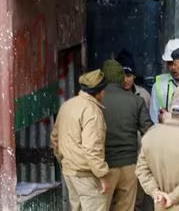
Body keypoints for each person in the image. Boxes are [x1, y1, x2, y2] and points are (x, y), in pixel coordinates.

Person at [51, 70, 111, 211]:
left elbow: (55, 138)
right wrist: (103, 175)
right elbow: (92, 149)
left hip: (70, 172)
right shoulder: (92, 112)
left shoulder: (67, 105)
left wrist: (65, 160)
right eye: (104, 90)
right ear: (99, 92)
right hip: (86, 175)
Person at [136, 95, 179, 210]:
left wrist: (156, 193)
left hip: (161, 205)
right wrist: (171, 198)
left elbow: (141, 170)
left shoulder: (150, 135)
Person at [102, 60, 153, 211]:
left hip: (103, 166)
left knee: (101, 206)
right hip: (130, 165)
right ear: (121, 78)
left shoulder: (95, 101)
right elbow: (148, 133)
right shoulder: (136, 100)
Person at [151, 39, 179, 125]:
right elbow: (154, 119)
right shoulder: (158, 86)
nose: (173, 67)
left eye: (176, 63)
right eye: (170, 63)